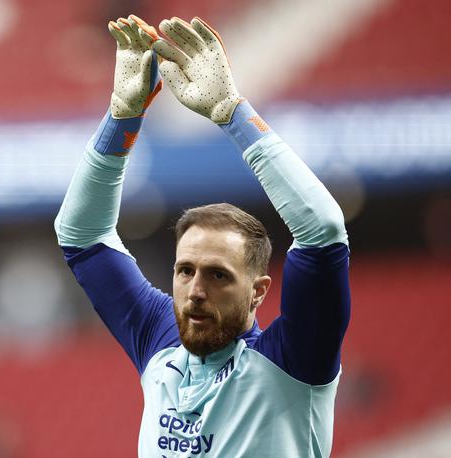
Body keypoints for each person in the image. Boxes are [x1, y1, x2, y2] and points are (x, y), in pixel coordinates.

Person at [54, 14, 350, 457]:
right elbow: (80, 233)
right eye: (185, 270)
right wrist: (123, 117)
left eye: (218, 276)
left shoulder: (295, 361)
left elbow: (323, 230)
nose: (194, 291)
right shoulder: (160, 337)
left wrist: (232, 112)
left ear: (257, 291)